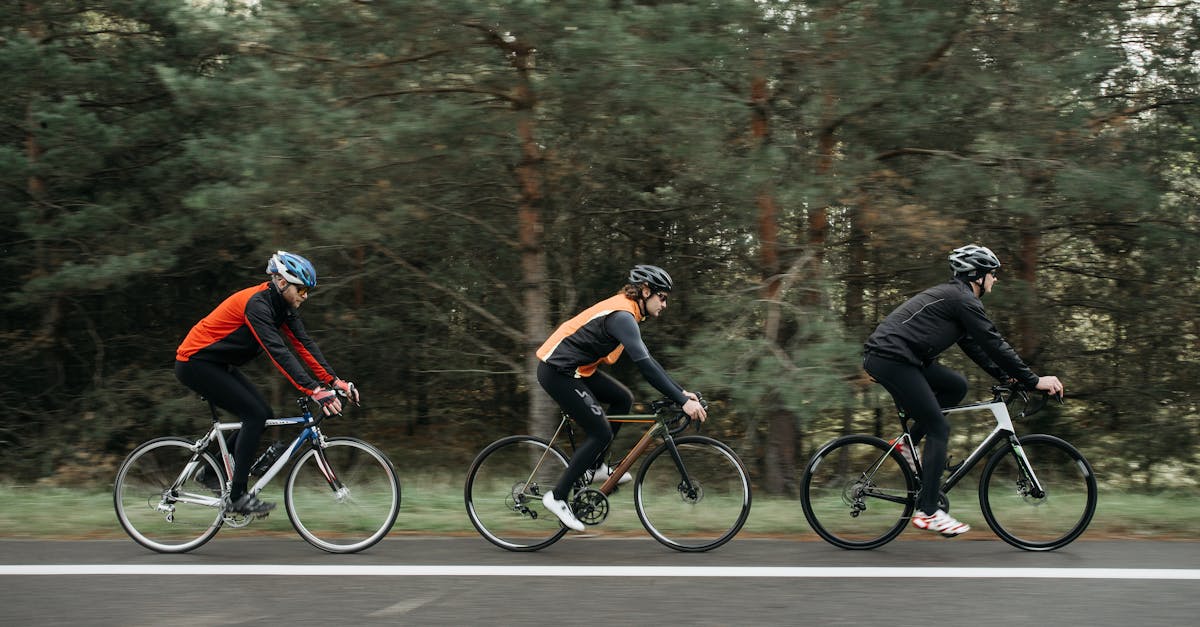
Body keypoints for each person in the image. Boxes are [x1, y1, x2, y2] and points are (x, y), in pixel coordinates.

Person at [863, 244, 1064, 537]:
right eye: (992, 274)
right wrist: (1033, 380)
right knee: (939, 429)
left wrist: (1009, 377)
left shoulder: (959, 299)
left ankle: (908, 444)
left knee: (956, 386)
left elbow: (976, 346)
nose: (995, 279)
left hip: (902, 358)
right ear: (977, 276)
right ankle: (929, 512)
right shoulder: (962, 300)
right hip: (891, 359)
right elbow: (994, 342)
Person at [174, 251, 360, 516]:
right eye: (302, 289)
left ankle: (210, 474)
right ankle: (237, 497)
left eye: (308, 291)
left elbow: (304, 345)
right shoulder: (257, 305)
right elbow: (277, 351)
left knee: (262, 415)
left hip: (216, 364)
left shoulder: (282, 308)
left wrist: (334, 381)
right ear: (282, 282)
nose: (305, 296)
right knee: (254, 414)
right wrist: (314, 390)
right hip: (194, 363)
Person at [534, 264, 708, 531]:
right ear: (645, 291)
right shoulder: (622, 315)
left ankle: (597, 466)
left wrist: (680, 391)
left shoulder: (629, 313)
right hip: (557, 371)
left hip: (577, 370)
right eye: (662, 297)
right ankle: (557, 497)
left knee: (622, 398)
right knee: (600, 433)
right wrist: (682, 401)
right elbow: (645, 365)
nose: (664, 304)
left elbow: (649, 360)